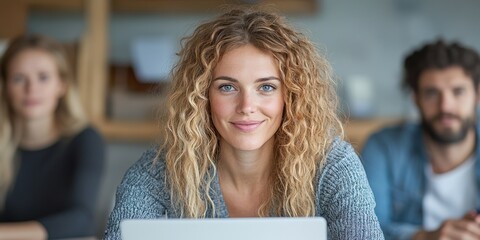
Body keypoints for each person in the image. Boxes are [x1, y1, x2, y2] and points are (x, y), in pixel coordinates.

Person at [104, 8, 383, 240]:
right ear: (202, 96)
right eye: (227, 87)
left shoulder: (332, 166)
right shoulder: (159, 171)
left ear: (291, 95)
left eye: (266, 87)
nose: (247, 106)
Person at [362, 40, 480, 240]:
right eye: (432, 93)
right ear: (416, 99)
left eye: (458, 92)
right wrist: (427, 237)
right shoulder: (383, 148)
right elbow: (364, 230)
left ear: (477, 94)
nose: (446, 107)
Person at [0, 34, 105, 239]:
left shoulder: (85, 140)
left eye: (43, 77)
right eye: (18, 78)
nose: (31, 89)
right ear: (5, 87)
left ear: (62, 85)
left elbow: (81, 220)